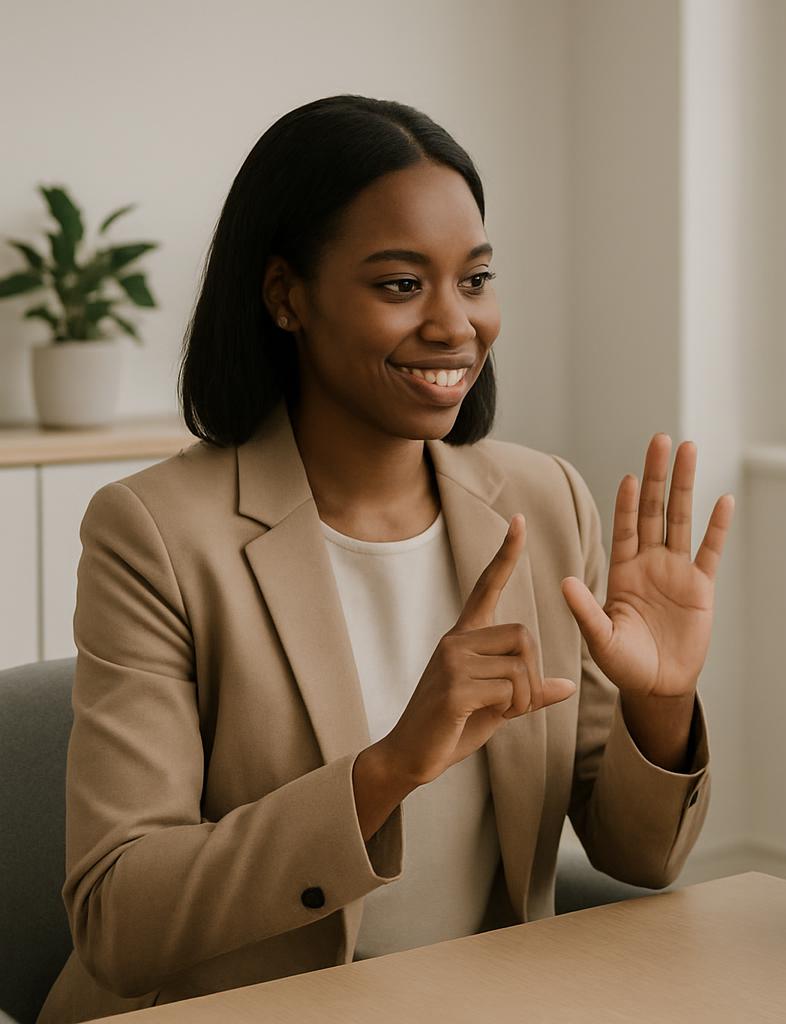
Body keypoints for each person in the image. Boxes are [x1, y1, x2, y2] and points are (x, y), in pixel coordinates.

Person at [41, 95, 733, 1023]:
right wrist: (389, 769)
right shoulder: (155, 533)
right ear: (287, 295)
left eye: (476, 279)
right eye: (401, 285)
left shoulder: (545, 502)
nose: (457, 325)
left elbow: (639, 857)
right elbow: (119, 918)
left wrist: (662, 702)